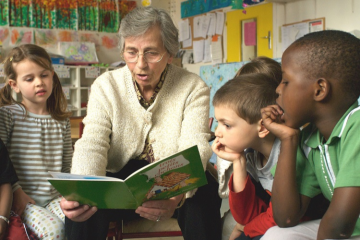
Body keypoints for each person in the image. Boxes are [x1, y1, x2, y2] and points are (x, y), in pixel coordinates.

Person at [60, 6, 221, 240]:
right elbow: (92, 143)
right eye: (132, 52)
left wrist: (175, 196)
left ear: (170, 52)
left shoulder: (193, 87)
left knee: (203, 193)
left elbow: (193, 146)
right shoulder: (106, 86)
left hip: (171, 178)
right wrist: (83, 193)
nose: (140, 64)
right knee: (84, 206)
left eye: (151, 53)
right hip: (119, 179)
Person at [260, 30, 360, 240]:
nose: (278, 90)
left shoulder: (357, 125)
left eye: (286, 81)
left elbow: (339, 225)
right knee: (276, 236)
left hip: (345, 230)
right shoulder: (311, 138)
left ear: (319, 90)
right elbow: (285, 217)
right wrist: (288, 139)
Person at [0, 44, 73, 239]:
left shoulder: (62, 119)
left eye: (44, 75)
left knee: (78, 225)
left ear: (52, 75)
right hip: (24, 200)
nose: (39, 82)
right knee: (54, 231)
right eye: (29, 79)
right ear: (14, 85)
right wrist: (16, 192)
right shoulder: (8, 115)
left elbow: (67, 165)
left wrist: (72, 194)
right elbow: (2, 165)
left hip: (56, 198)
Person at [212, 73, 280, 240]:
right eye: (217, 123)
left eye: (226, 125)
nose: (217, 133)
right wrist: (238, 162)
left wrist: (246, 229)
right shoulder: (252, 156)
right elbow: (245, 215)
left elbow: (279, 217)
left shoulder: (286, 153)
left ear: (263, 127)